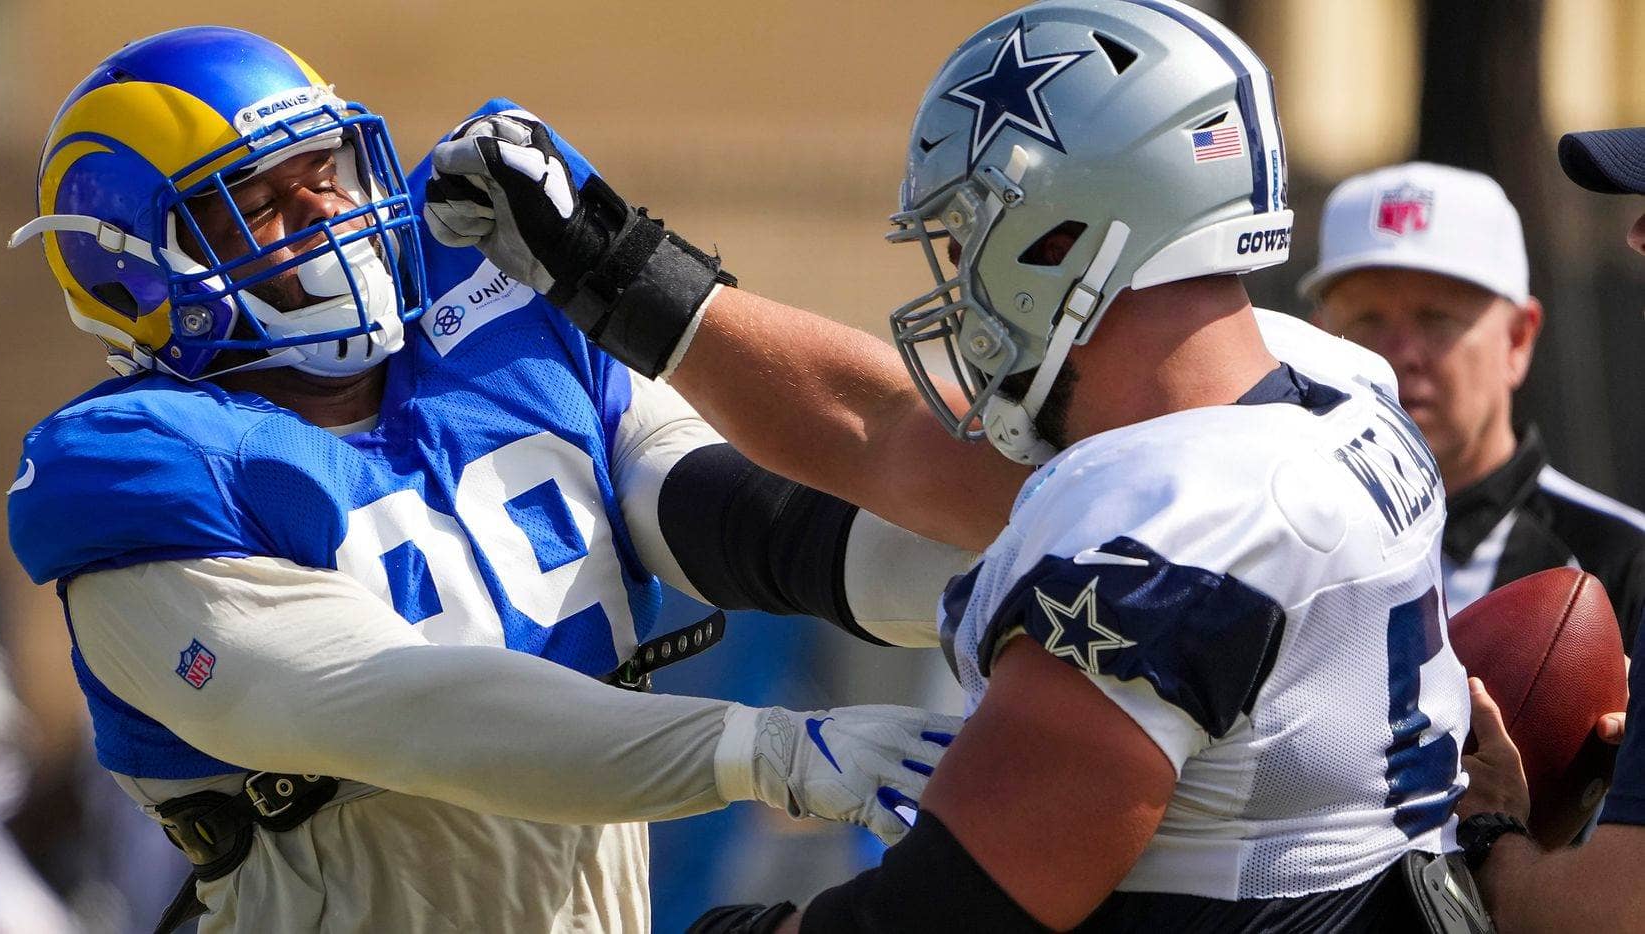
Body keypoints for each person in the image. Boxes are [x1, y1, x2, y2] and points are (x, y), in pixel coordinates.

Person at [425, 1, 1495, 929]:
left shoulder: (1172, 538)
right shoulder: (1316, 381)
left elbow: (950, 909)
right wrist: (617, 268)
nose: (960, 273)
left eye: (970, 227)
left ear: (1069, 236)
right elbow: (881, 430)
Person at [4, 26, 973, 934]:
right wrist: (769, 753)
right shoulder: (147, 473)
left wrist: (997, 579)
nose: (329, 213)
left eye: (327, 173)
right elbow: (410, 710)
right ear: (132, 274)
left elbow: (738, 515)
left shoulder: (489, 326)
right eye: (260, 202)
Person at [1303, 162, 1645, 649]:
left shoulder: (1622, 561)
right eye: (1366, 320)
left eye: (1436, 319)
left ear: (1518, 339)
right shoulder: (1279, 548)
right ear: (1319, 338)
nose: (1401, 353)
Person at [1446, 129, 1645, 933]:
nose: (1637, 235)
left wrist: (1490, 830)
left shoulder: (1619, 548)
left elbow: (1615, 908)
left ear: (1518, 337)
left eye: (1439, 317)